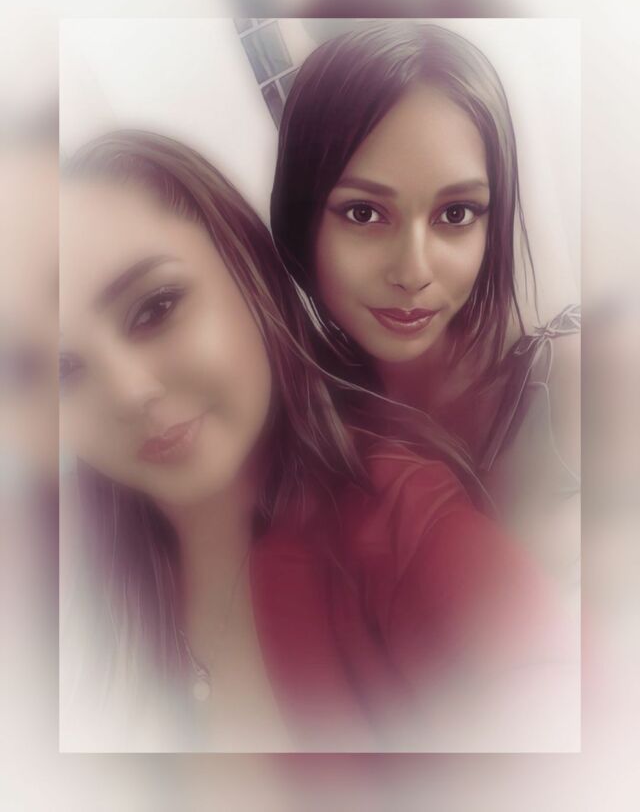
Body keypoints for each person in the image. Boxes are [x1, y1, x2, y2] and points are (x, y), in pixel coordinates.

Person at [59, 130, 574, 753]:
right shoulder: (80, 577)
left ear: (247, 269)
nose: (127, 391)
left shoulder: (400, 522)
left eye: (155, 308)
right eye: (62, 369)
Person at [270, 20, 580, 588]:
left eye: (456, 214)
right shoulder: (301, 424)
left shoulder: (580, 382)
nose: (414, 273)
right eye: (364, 213)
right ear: (301, 216)